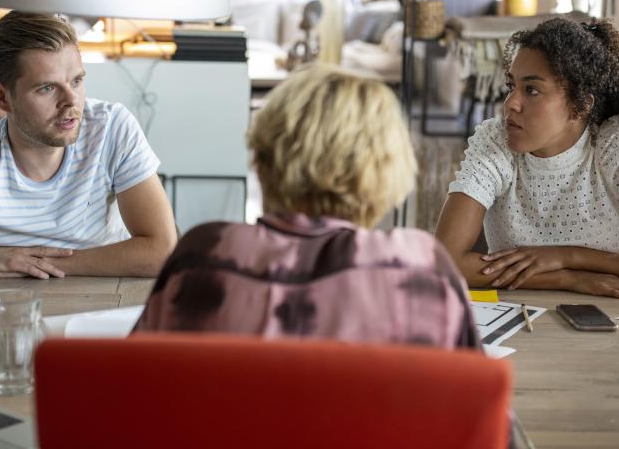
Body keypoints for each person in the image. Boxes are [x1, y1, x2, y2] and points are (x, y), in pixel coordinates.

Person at [134, 64, 479, 350]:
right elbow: (474, 405)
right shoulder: (427, 272)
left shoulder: (202, 256)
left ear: (262, 161)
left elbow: (136, 388)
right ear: (388, 172)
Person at [0, 11, 177, 279]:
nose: (71, 101)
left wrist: (29, 264)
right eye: (47, 88)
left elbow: (162, 252)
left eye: (76, 81)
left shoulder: (111, 128)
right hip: (10, 302)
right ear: (1, 97)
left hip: (111, 298)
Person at [436, 17, 619, 299]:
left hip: (609, 314)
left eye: (532, 90)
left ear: (581, 105)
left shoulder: (617, 146)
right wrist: (568, 278)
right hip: (515, 312)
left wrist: (566, 256)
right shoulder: (496, 142)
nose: (510, 103)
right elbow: (443, 262)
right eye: (511, 86)